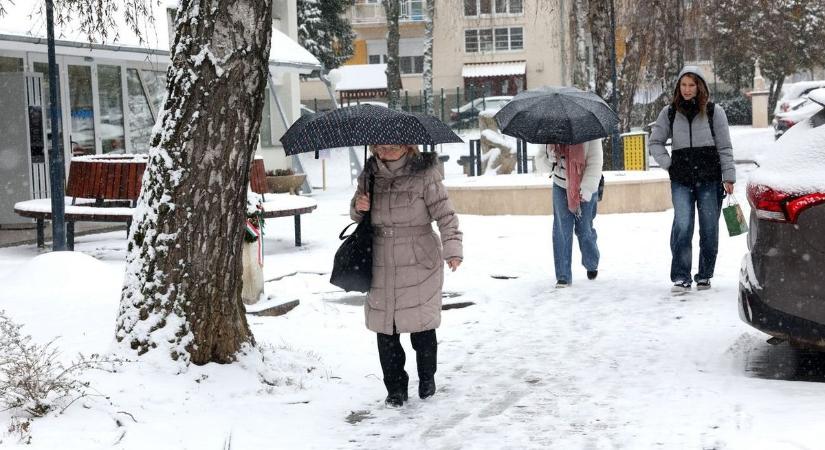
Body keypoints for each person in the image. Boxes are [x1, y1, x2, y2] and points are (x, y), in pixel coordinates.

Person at [351, 144, 463, 407]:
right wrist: (359, 206)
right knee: (385, 327)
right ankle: (395, 388)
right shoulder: (369, 174)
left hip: (418, 255)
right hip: (380, 257)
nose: (384, 151)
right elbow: (357, 213)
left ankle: (427, 378)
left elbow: (445, 215)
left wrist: (453, 249)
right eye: (379, 147)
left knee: (420, 323)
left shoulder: (425, 173)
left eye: (391, 147)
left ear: (407, 147)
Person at [649, 66, 736, 293]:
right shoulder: (668, 113)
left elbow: (725, 147)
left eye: (692, 85)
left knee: (708, 229)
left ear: (700, 87)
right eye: (683, 85)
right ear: (678, 87)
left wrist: (728, 176)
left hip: (710, 180)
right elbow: (655, 142)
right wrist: (669, 165)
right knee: (683, 225)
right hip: (681, 181)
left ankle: (705, 275)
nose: (687, 90)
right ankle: (681, 276)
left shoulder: (714, 112)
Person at [549, 139, 603, 288]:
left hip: (585, 182)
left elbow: (595, 162)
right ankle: (563, 276)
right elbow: (542, 159)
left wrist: (586, 189)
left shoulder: (589, 129)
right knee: (561, 230)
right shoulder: (552, 129)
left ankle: (591, 262)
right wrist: (550, 158)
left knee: (584, 228)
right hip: (560, 184)